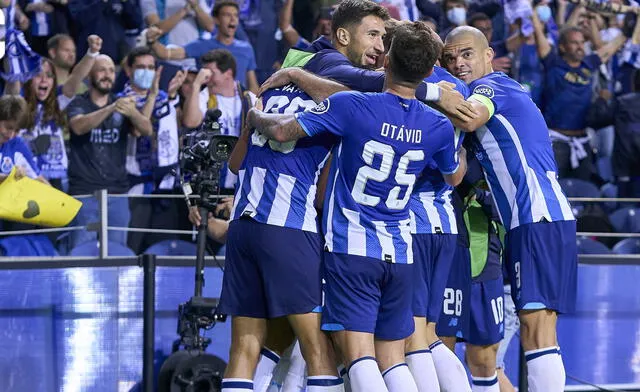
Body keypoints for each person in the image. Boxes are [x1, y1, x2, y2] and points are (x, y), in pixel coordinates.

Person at [248, 21, 466, 392]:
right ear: (430, 71)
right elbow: (454, 175)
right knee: (395, 357)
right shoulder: (437, 126)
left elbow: (283, 130)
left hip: (353, 246)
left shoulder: (352, 106)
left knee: (359, 355)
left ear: (386, 61)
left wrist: (253, 113)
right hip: (400, 250)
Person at [442, 26, 576, 392]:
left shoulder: (494, 87)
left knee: (537, 330)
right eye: (450, 58)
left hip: (535, 218)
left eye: (467, 54)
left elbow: (470, 115)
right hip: (536, 221)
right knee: (541, 330)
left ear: (489, 56)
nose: (458, 63)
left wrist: (417, 87)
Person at [209, 50, 348, 392]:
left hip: (243, 227)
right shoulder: (336, 105)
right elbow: (321, 196)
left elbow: (235, 163)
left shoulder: (267, 96)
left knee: (244, 347)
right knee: (318, 349)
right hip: (289, 228)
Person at [531, 9, 636, 180]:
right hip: (555, 141)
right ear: (563, 47)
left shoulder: (588, 64)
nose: (580, 47)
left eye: (581, 42)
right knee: (554, 188)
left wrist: (627, 31)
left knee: (586, 190)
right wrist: (533, 15)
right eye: (574, 43)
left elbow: (609, 49)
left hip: (582, 141)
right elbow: (539, 36)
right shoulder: (553, 63)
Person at [65, 54, 153, 251]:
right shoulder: (78, 103)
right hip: (84, 194)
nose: (108, 75)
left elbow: (145, 130)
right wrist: (111, 108)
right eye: (102, 70)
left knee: (117, 254)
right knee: (80, 252)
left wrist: (133, 113)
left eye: (112, 70)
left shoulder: (122, 104)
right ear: (90, 75)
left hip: (117, 194)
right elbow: (79, 127)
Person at [118, 46, 187, 253]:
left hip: (164, 185)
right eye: (140, 67)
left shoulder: (163, 96)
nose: (146, 72)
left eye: (150, 67)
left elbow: (174, 130)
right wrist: (154, 94)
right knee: (133, 249)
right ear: (129, 71)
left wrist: (172, 95)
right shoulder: (122, 100)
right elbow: (142, 129)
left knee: (163, 249)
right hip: (136, 187)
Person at [147, 0, 259, 93]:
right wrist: (151, 40)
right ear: (216, 20)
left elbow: (253, 85)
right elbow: (165, 53)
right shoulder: (202, 45)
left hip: (238, 108)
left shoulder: (246, 49)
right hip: (209, 105)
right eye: (227, 15)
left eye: (235, 15)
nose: (233, 19)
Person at [183, 49, 256, 191]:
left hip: (240, 179)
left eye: (211, 73)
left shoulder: (249, 99)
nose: (206, 78)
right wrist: (196, 85)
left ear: (228, 73)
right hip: (210, 178)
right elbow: (191, 122)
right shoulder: (203, 96)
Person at [19, 57, 69, 191]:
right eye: (38, 75)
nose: (44, 80)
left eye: (49, 76)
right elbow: (11, 88)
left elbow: (75, 80)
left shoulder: (58, 103)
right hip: (25, 176)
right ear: (28, 78)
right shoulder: (18, 105)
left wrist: (91, 53)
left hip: (55, 177)